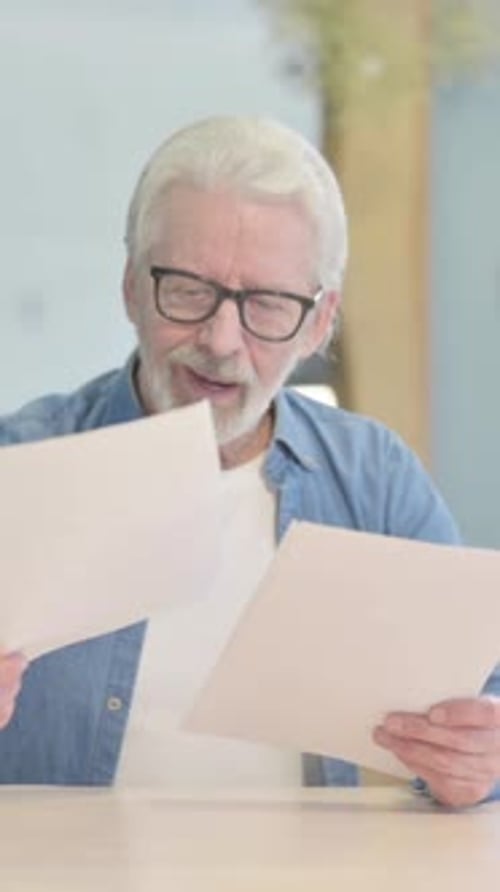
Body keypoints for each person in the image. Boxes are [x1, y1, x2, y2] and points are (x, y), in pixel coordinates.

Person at [0, 115, 498, 806]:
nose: (221, 339)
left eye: (266, 303)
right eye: (187, 289)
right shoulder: (22, 464)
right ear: (132, 288)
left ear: (320, 323)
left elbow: (485, 706)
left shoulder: (374, 478)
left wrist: (478, 764)